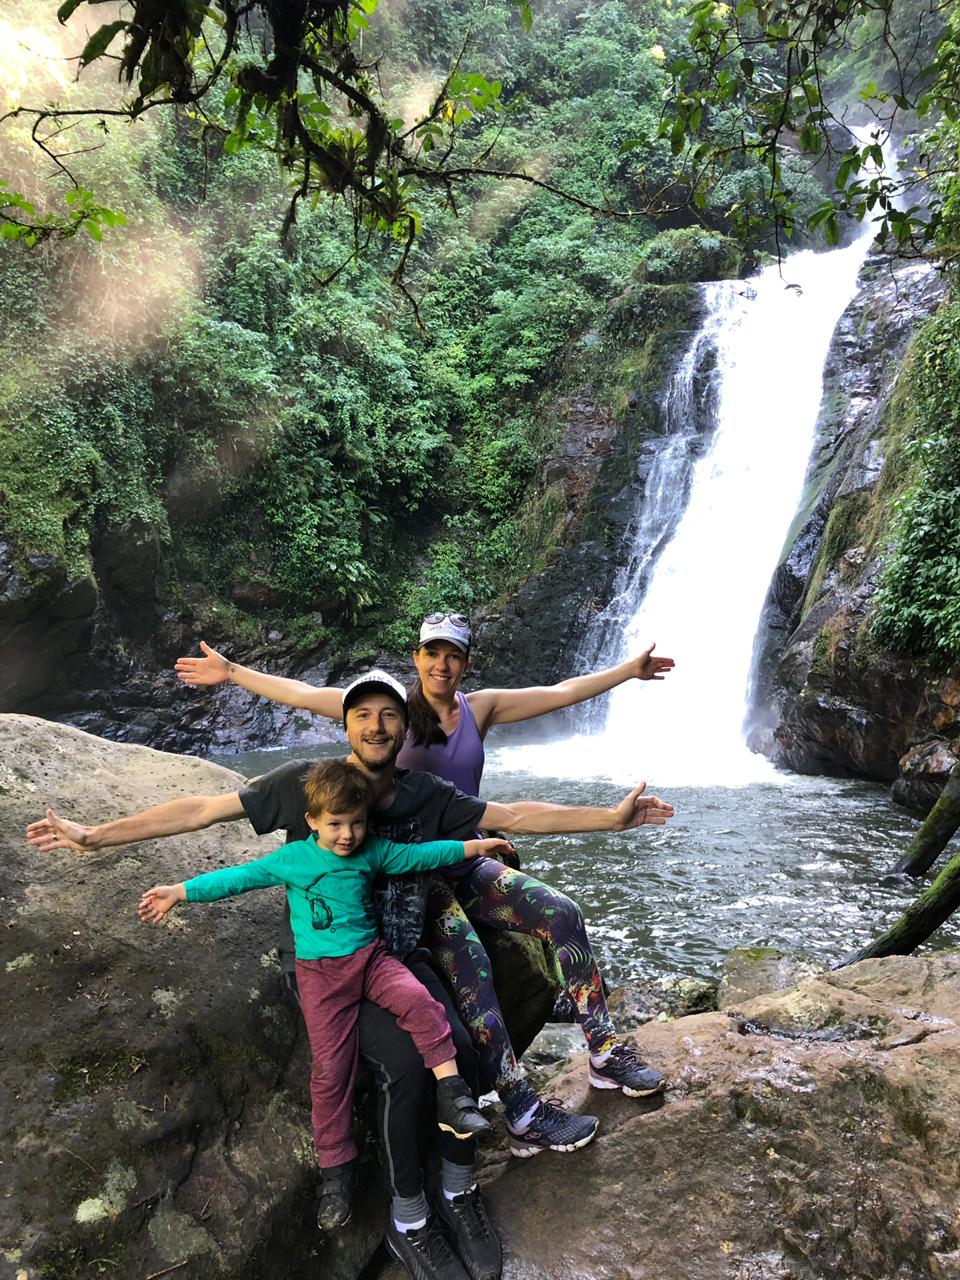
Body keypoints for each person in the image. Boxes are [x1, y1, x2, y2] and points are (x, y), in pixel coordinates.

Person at [27, 671, 672, 1280]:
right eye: (362, 713)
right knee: (409, 1067)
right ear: (345, 723)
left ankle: (459, 1189)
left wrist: (610, 819)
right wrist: (94, 837)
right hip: (326, 964)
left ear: (406, 727)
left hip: (395, 956)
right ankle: (408, 1218)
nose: (376, 724)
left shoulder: (422, 796)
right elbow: (203, 808)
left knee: (464, 1051)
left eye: (389, 714)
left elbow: (511, 815)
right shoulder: (306, 785)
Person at [174, 619, 675, 1133]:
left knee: (562, 912)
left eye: (453, 655)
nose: (442, 664)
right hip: (420, 880)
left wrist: (628, 673)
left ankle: (604, 1050)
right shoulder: (387, 716)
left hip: (468, 859)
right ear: (415, 658)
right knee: (473, 965)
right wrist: (232, 672)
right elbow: (304, 694)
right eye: (432, 653)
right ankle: (523, 1112)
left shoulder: (481, 707)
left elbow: (561, 694)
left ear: (466, 663)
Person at [138, 759, 506, 1232]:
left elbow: (422, 856)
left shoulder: (372, 850)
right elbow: (237, 878)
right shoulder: (294, 860)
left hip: (372, 961)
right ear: (311, 821)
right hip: (322, 979)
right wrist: (180, 891)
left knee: (421, 1002)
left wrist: (476, 844)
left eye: (355, 823)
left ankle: (453, 1092)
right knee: (331, 1073)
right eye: (335, 824)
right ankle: (337, 1172)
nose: (347, 835)